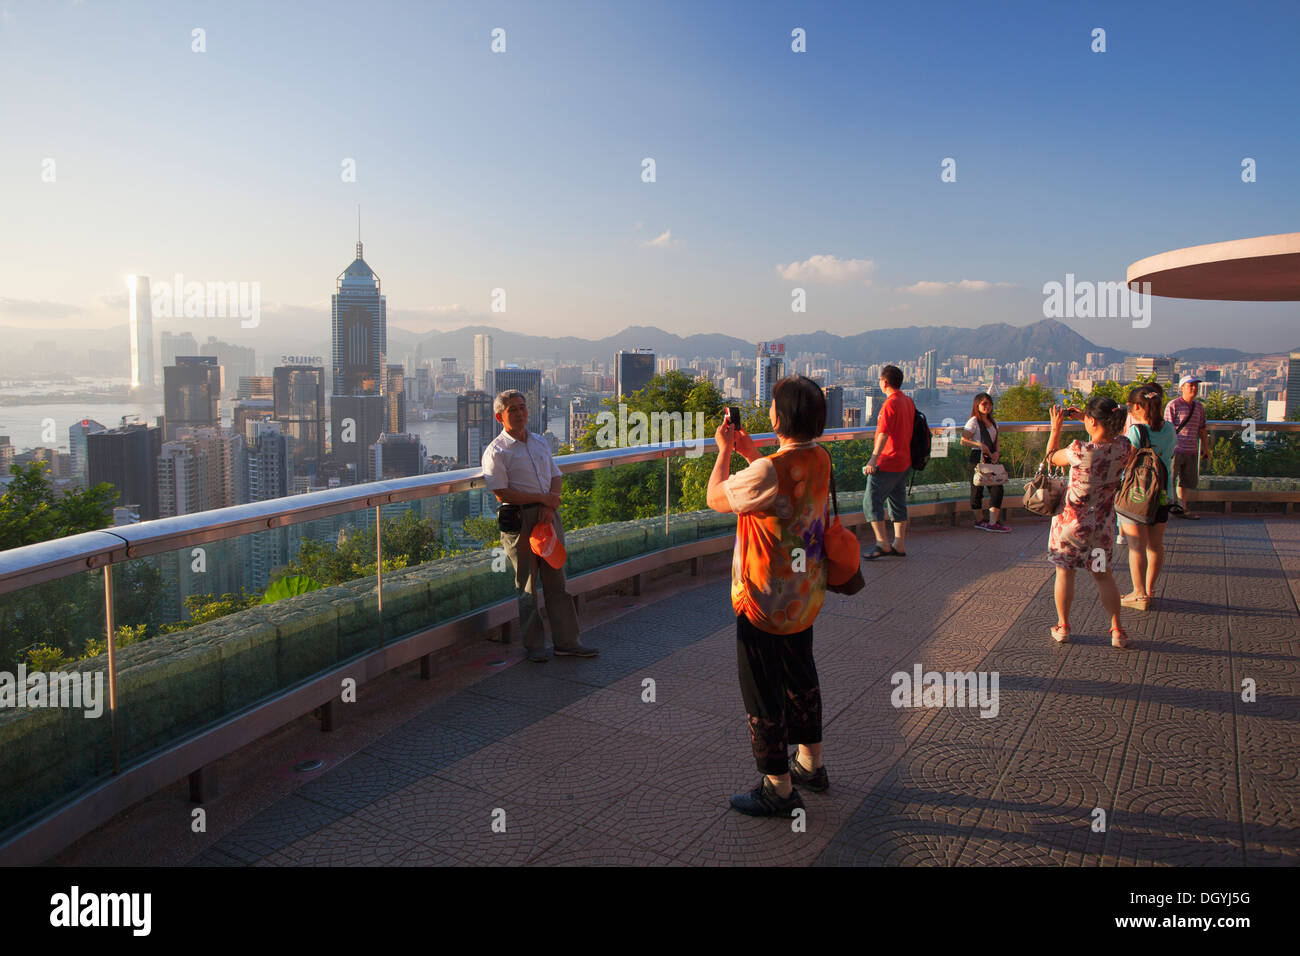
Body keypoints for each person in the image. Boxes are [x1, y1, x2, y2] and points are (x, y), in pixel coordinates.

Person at [706, 376, 831, 817]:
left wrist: (724, 451)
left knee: (762, 688)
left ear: (780, 417)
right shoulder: (820, 457)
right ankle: (810, 765)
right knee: (801, 676)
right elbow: (783, 495)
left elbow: (716, 497)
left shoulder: (766, 471)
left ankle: (777, 786)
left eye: (774, 406)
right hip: (804, 593)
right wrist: (751, 454)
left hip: (762, 601)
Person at [482, 389, 597, 663]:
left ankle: (568, 641)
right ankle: (534, 646)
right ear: (500, 416)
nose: (520, 413)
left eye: (523, 407)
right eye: (513, 409)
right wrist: (541, 499)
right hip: (519, 520)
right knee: (527, 585)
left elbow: (555, 475)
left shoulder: (540, 442)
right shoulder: (496, 451)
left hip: (548, 518)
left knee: (557, 581)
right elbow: (502, 493)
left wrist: (549, 505)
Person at [1044, 396, 1133, 649]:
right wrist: (1088, 418)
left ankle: (1063, 627)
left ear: (1092, 421)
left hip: (1070, 525)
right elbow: (1112, 435)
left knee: (1064, 572)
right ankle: (1117, 629)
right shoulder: (1124, 447)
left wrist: (1056, 428)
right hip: (1101, 526)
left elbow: (1051, 457)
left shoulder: (1078, 450)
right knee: (1103, 575)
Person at [861, 364, 914, 558]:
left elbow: (883, 433)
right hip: (904, 460)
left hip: (888, 461)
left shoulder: (890, 404)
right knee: (898, 501)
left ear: (884, 382)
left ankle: (882, 543)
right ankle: (899, 543)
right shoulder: (908, 401)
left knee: (871, 500)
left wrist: (873, 460)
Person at [960, 392, 1009, 532]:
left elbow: (997, 440)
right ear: (977, 405)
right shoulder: (973, 421)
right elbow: (963, 441)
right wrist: (979, 445)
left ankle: (993, 522)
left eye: (989, 403)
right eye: (984, 404)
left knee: (997, 487)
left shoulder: (993, 422)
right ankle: (979, 520)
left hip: (991, 458)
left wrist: (997, 453)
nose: (987, 406)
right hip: (977, 457)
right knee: (977, 489)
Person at [1163, 375, 1210, 519]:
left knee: (1186, 481)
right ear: (1182, 388)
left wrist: (1205, 448)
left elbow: (1202, 429)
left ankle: (1183, 507)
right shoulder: (1173, 405)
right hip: (1175, 450)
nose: (1194, 388)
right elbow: (1168, 428)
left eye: (1195, 385)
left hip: (1191, 449)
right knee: (1170, 479)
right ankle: (1172, 507)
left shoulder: (1199, 407)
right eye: (1191, 385)